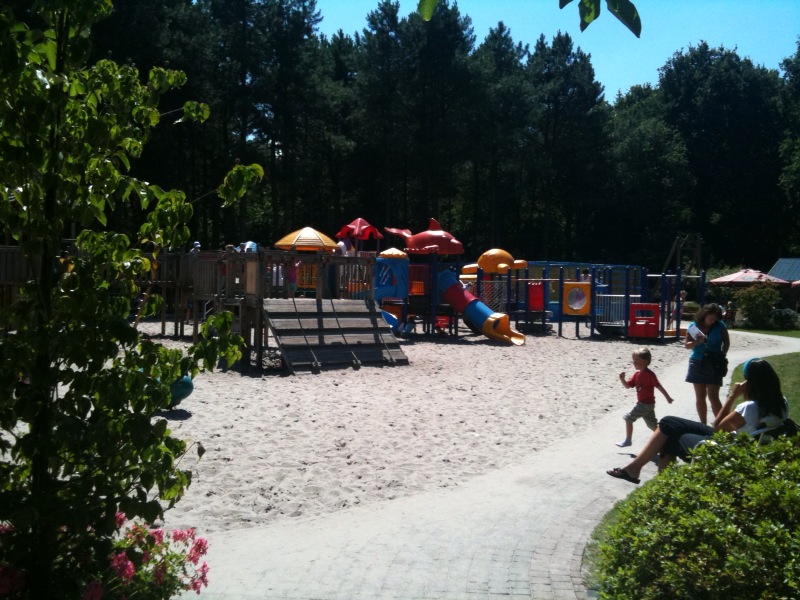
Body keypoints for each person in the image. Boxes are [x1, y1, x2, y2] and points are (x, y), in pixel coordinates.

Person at [607, 357, 789, 484]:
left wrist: (732, 396)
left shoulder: (749, 408)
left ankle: (647, 477)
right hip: (742, 444)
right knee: (668, 423)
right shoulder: (782, 403)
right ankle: (636, 470)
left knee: (668, 435)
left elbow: (717, 429)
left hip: (724, 446)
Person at [616, 348, 674, 447]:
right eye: (633, 360)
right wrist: (622, 379)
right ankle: (667, 440)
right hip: (646, 405)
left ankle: (628, 440)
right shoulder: (637, 374)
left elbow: (658, 386)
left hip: (645, 404)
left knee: (628, 418)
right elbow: (628, 386)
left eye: (636, 361)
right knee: (652, 425)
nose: (634, 363)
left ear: (645, 361)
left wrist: (668, 397)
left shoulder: (649, 375)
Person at [685, 303, 730, 424]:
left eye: (715, 319)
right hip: (697, 361)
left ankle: (722, 426)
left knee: (713, 397)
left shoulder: (720, 325)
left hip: (714, 363)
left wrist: (722, 355)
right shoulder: (693, 326)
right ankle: (703, 425)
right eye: (711, 318)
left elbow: (726, 343)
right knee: (700, 396)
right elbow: (687, 345)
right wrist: (697, 341)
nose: (712, 321)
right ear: (704, 314)